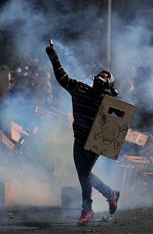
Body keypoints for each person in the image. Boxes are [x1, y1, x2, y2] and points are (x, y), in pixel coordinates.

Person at [46, 44, 120, 226]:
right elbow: (62, 78)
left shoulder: (106, 101)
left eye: (105, 76)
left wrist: (112, 97)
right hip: (79, 139)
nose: (101, 77)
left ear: (109, 84)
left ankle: (87, 209)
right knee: (83, 174)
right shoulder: (80, 89)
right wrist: (54, 58)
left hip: (94, 141)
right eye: (100, 75)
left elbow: (120, 118)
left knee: (84, 174)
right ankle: (110, 194)